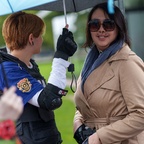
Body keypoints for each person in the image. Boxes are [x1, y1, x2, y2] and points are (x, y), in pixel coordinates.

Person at [0, 11, 77, 144]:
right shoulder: (8, 70)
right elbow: (48, 100)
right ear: (31, 39)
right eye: (40, 35)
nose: (41, 39)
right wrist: (61, 57)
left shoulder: (28, 64)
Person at [73, 2, 144, 144]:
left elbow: (141, 114)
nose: (101, 30)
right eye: (94, 24)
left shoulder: (128, 63)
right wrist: (78, 124)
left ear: (119, 27)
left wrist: (100, 136)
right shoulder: (91, 62)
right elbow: (84, 104)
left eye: (108, 24)